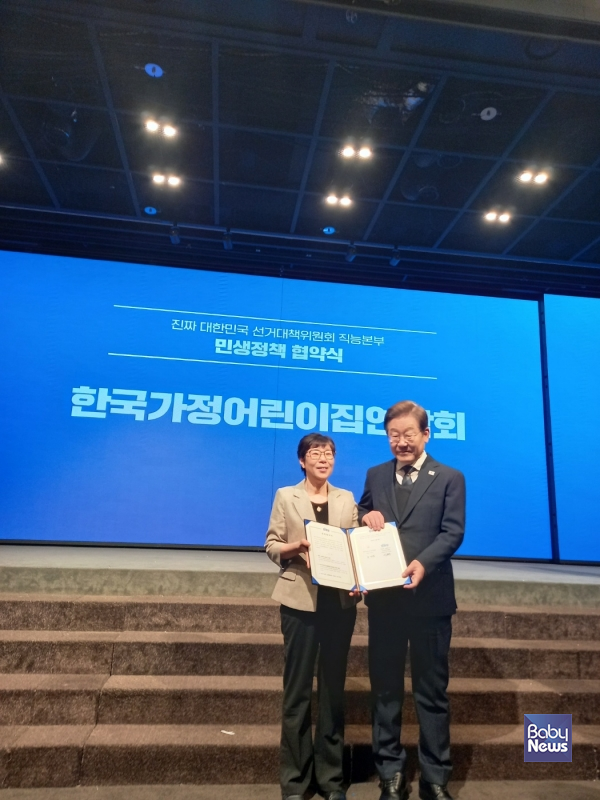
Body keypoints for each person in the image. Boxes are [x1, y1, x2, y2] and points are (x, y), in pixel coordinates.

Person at [358, 401, 465, 800]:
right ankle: (391, 773)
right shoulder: (376, 474)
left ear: (425, 434)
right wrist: (365, 516)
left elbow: (452, 533)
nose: (400, 442)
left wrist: (423, 563)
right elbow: (364, 510)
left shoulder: (450, 477)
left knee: (431, 692)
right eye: (393, 435)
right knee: (385, 690)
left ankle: (435, 778)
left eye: (408, 434)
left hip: (430, 600)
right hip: (386, 601)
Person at [265, 433, 359, 800]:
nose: (323, 458)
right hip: (299, 601)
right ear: (302, 461)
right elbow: (272, 544)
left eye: (329, 453)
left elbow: (354, 548)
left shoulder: (346, 498)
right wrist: (295, 548)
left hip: (339, 604)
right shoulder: (286, 496)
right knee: (297, 691)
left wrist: (360, 578)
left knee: (333, 692)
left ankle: (331, 779)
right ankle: (295, 781)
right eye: (315, 453)